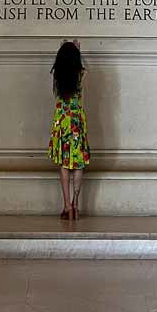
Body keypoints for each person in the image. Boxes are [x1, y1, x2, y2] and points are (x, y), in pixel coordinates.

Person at [48, 38, 90, 220]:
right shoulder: (81, 74)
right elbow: (80, 66)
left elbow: (60, 62)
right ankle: (76, 204)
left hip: (62, 122)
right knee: (78, 164)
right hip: (77, 122)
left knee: (64, 165)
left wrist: (63, 49)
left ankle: (67, 206)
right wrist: (77, 51)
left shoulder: (57, 75)